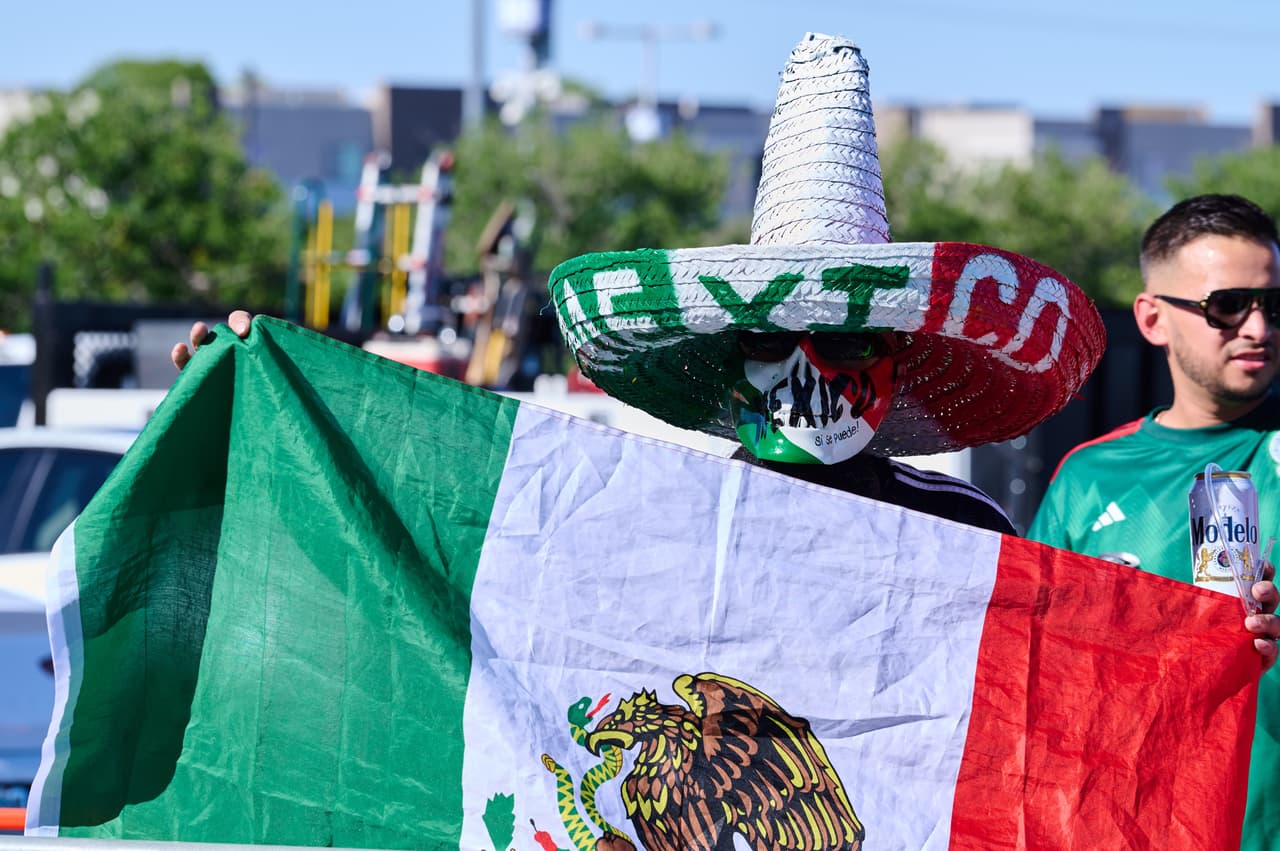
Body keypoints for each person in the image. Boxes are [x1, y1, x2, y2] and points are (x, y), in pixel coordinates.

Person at [1028, 193, 1280, 849]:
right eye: (1228, 306)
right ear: (1152, 318)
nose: (1258, 327)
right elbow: (1036, 681)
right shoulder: (1087, 478)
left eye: (1274, 305)